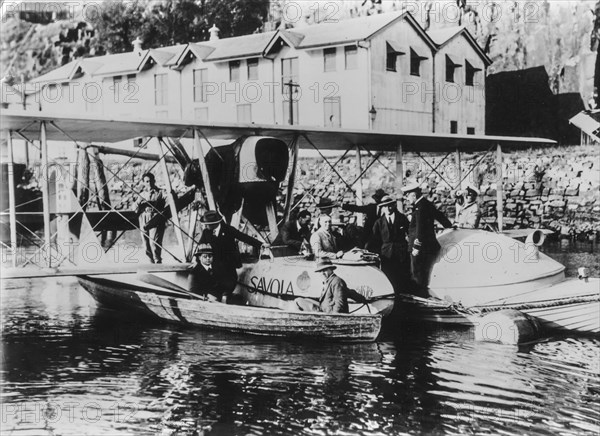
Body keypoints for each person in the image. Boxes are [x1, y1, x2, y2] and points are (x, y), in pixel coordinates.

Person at [199, 210, 266, 301]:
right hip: (215, 265)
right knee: (213, 290)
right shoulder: (206, 232)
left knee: (228, 287)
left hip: (229, 265)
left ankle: (226, 299)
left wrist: (260, 244)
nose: (205, 226)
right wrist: (197, 261)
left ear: (215, 224)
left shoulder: (228, 230)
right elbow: (200, 247)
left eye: (207, 224)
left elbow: (243, 237)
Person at [402, 183, 453, 292]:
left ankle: (419, 295)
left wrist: (416, 247)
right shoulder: (426, 204)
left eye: (407, 196)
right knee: (424, 272)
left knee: (417, 272)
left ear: (414, 195)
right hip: (428, 246)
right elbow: (439, 215)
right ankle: (422, 293)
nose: (406, 199)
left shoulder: (420, 207)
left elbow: (420, 229)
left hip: (420, 247)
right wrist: (449, 225)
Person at [366, 195, 411, 292]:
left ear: (394, 205)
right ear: (382, 208)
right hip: (386, 254)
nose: (388, 208)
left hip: (401, 253)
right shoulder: (379, 222)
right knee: (389, 275)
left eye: (390, 205)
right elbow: (374, 239)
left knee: (402, 275)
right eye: (385, 206)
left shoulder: (402, 218)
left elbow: (410, 233)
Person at [136, 172, 167, 264]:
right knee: (145, 243)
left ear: (154, 181)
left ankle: (158, 261)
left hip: (155, 218)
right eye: (147, 181)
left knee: (154, 242)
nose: (149, 183)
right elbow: (134, 207)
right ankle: (151, 262)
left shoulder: (160, 192)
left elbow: (168, 200)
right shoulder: (142, 194)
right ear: (144, 182)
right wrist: (140, 204)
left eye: (151, 181)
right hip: (144, 217)